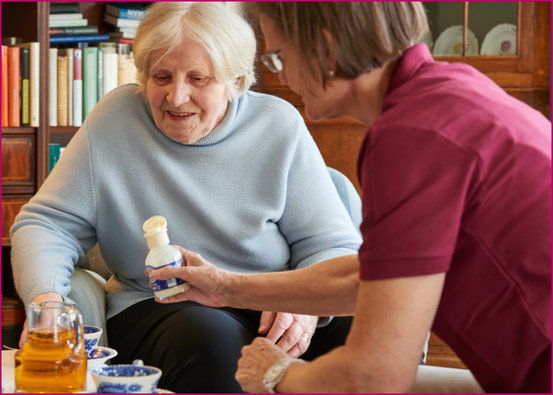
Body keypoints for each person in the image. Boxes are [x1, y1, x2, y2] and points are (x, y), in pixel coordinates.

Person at [149, 2, 551, 393]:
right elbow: (368, 278)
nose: (282, 75)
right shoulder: (447, 91)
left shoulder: (410, 137)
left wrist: (275, 375)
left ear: (324, 49)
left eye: (277, 58)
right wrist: (226, 286)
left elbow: (374, 377)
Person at [9, 2, 362, 393]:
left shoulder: (279, 125)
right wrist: (48, 304)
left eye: (198, 79)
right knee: (209, 340)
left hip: (270, 302)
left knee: (366, 326)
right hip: (163, 306)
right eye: (161, 77)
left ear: (237, 80)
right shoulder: (115, 120)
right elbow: (46, 223)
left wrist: (302, 300)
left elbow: (332, 245)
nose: (176, 97)